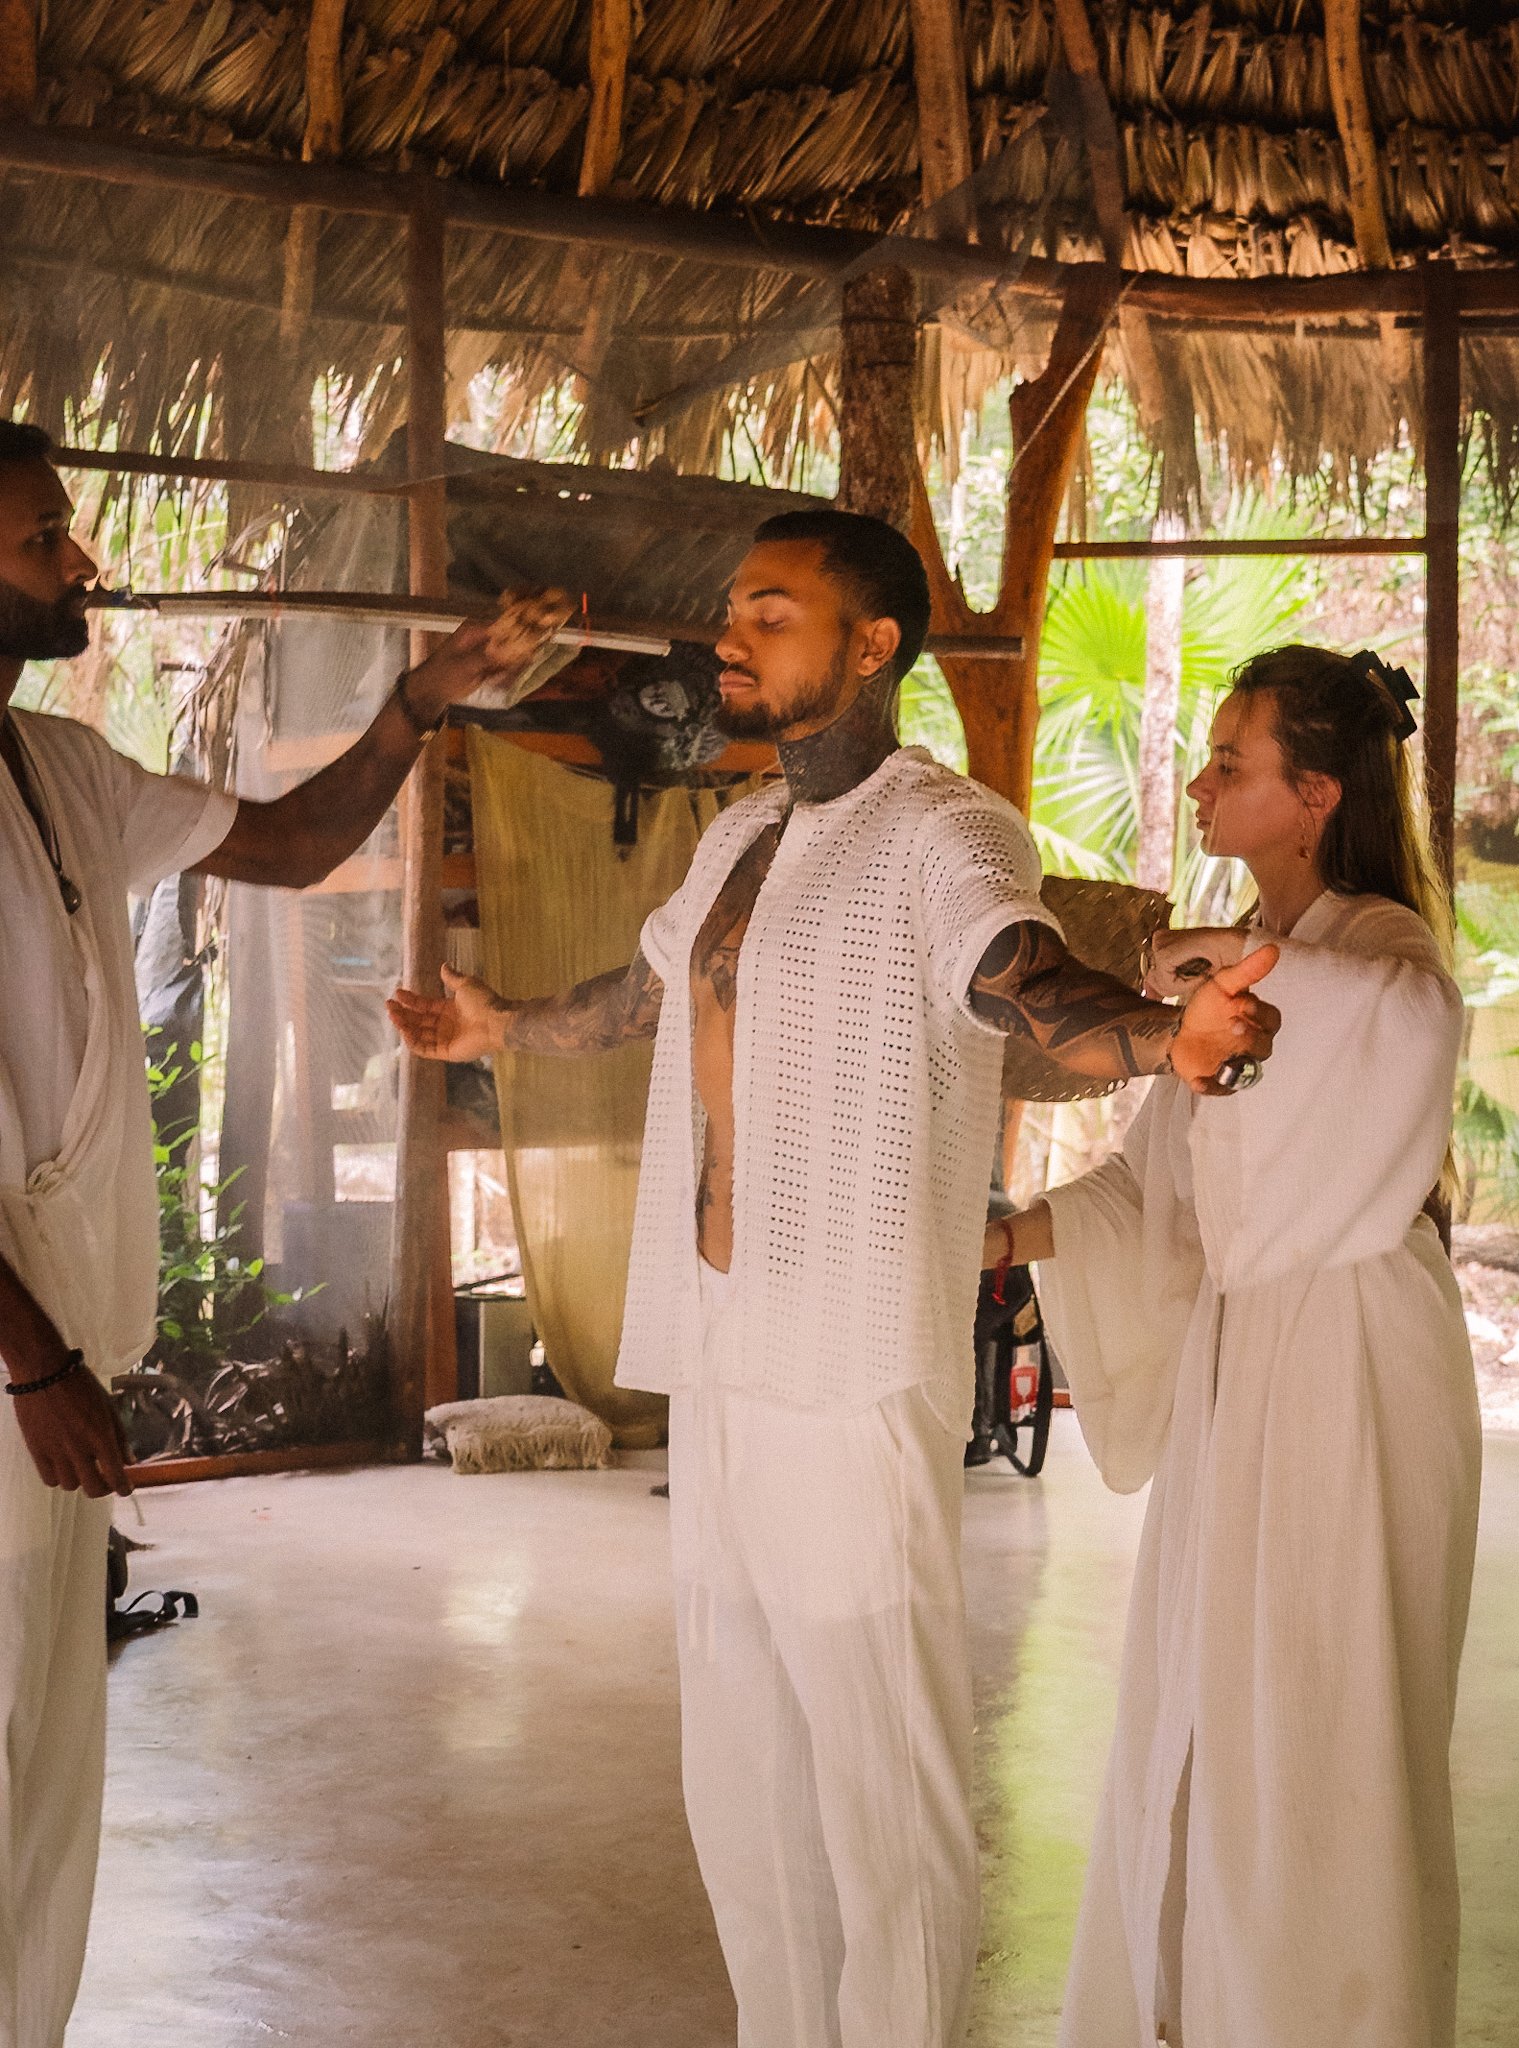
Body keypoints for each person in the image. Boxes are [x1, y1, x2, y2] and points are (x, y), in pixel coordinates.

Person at [388, 507, 1279, 2048]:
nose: (728, 636)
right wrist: (501, 1028)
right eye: (733, 607)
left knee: (880, 1772)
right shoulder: (739, 833)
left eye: (771, 613)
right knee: (740, 1762)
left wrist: (1162, 1036)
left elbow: (1023, 982)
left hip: (850, 1348)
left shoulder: (945, 832)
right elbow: (654, 991)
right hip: (721, 1329)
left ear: (870, 646)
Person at [0, 419, 558, 2048]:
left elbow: (298, 844)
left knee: (41, 1755)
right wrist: (31, 1365)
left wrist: (418, 703)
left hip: (49, 1362)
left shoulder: (59, 770)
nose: (83, 562)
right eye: (41, 539)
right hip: (16, 1367)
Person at [986, 645, 1481, 2048]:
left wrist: (1228, 963)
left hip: (1355, 1368)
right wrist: (1004, 1240)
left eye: (1228, 763)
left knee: (1327, 1712)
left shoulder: (1380, 949)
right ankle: (1202, 2010)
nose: (1199, 787)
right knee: (1210, 1691)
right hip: (1239, 1363)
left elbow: (1411, 1019)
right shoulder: (1251, 962)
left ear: (1315, 795)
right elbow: (1155, 1187)